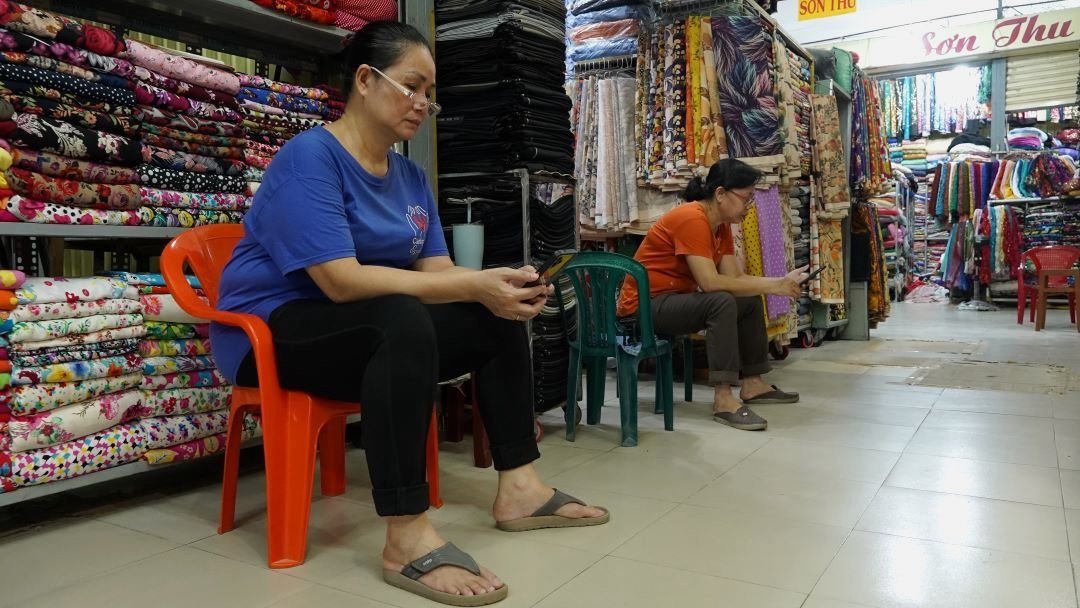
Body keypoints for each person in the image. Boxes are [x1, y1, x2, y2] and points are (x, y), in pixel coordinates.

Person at [211, 21, 608, 607]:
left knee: (491, 316)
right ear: (366, 81)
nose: (423, 104)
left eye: (430, 92)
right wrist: (471, 283)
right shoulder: (310, 158)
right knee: (397, 320)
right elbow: (340, 282)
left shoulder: (410, 175)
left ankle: (520, 486)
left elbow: (436, 272)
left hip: (356, 329)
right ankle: (405, 534)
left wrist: (495, 286)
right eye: (411, 86)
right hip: (271, 332)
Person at [616, 159, 805, 431]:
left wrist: (780, 282)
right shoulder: (692, 218)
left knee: (748, 301)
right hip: (643, 307)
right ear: (720, 194)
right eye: (746, 199)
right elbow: (710, 282)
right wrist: (775, 286)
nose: (749, 207)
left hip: (672, 300)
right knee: (721, 301)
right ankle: (723, 398)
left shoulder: (721, 226)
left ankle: (752, 384)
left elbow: (736, 279)